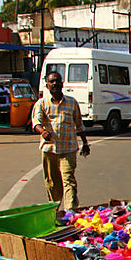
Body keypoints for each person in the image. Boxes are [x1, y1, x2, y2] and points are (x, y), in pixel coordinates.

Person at [32, 71, 90, 214]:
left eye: (57, 81)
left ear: (62, 83)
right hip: (49, 149)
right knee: (52, 182)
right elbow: (36, 122)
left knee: (68, 178)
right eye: (51, 82)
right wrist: (43, 131)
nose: (55, 84)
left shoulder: (71, 103)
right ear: (47, 85)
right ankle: (54, 210)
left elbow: (79, 125)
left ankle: (70, 211)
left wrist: (85, 143)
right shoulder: (42, 103)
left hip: (68, 148)